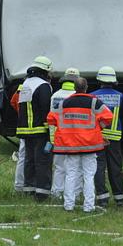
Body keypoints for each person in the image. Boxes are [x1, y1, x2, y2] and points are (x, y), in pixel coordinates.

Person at [48, 77, 112, 212]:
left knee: (71, 174)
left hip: (70, 145)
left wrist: (68, 128)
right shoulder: (94, 102)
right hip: (90, 145)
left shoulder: (64, 103)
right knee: (89, 176)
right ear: (86, 87)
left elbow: (50, 118)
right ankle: (88, 206)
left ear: (74, 88)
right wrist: (98, 127)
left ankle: (68, 205)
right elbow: (108, 117)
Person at [15, 56, 54, 201]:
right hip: (40, 130)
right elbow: (46, 109)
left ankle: (28, 189)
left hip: (25, 131)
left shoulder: (25, 84)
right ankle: (42, 194)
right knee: (42, 161)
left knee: (29, 161)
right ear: (45, 70)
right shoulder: (43, 85)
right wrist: (50, 131)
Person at [91, 66, 123, 207]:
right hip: (114, 138)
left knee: (99, 166)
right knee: (115, 167)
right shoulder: (121, 96)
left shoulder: (93, 96)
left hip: (98, 137)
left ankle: (102, 198)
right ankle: (119, 198)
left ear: (99, 80)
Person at [49, 68, 80, 200]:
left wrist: (52, 138)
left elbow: (51, 119)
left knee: (59, 167)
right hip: (75, 138)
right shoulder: (78, 96)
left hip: (59, 137)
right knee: (75, 168)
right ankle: (75, 194)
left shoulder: (55, 96)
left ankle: (56, 193)